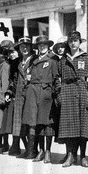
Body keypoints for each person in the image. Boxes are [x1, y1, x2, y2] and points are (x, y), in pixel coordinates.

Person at [58, 31, 88, 167]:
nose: (73, 43)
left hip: (82, 93)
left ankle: (83, 156)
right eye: (71, 41)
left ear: (80, 42)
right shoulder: (63, 60)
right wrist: (59, 94)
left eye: (76, 41)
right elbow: (57, 78)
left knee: (83, 128)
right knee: (68, 128)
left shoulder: (86, 59)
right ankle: (70, 155)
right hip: (67, 94)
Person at [22, 35, 59, 163]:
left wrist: (55, 94)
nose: (42, 47)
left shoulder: (53, 60)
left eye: (44, 45)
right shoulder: (34, 61)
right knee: (36, 123)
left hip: (46, 93)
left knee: (47, 124)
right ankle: (41, 150)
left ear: (48, 46)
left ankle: (48, 151)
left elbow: (56, 79)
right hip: (33, 92)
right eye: (39, 45)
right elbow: (28, 76)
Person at [7, 37, 35, 157]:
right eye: (22, 46)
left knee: (30, 122)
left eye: (27, 46)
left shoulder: (35, 60)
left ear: (31, 47)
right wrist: (9, 92)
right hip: (18, 94)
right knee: (18, 122)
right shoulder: (16, 62)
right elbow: (13, 79)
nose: (24, 48)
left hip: (30, 92)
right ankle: (21, 147)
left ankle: (32, 150)